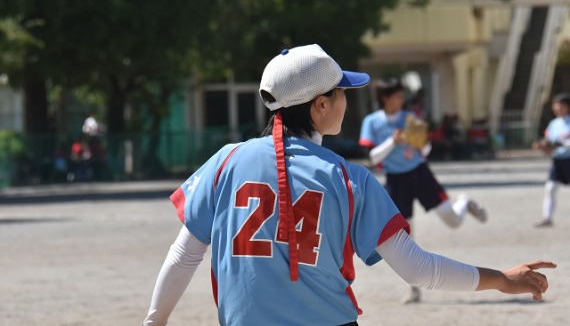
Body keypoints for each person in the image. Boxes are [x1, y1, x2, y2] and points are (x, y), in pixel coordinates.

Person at [143, 45, 555, 326]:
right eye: (341, 92)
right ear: (320, 105)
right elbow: (419, 269)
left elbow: (184, 256)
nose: (346, 100)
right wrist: (501, 278)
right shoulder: (347, 176)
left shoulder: (225, 160)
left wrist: (154, 321)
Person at [359, 78, 488, 304]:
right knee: (405, 236)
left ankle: (465, 202)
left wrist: (420, 143)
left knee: (453, 221)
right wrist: (392, 140)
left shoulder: (411, 119)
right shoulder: (372, 122)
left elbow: (426, 149)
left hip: (420, 173)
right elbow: (372, 157)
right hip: (396, 181)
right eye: (397, 95)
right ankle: (414, 289)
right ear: (385, 98)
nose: (401, 100)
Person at [532, 92, 570, 227]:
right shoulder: (554, 123)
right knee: (550, 188)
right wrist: (543, 146)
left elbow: (563, 143)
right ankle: (547, 218)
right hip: (558, 161)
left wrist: (559, 144)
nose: (558, 108)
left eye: (561, 105)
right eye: (556, 105)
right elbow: (549, 142)